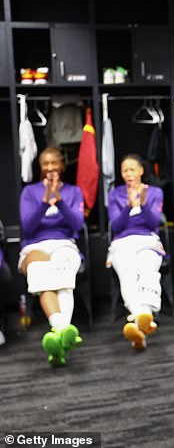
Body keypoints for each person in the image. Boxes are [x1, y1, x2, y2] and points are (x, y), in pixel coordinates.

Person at [19, 147, 84, 366]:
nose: (49, 168)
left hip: (65, 243)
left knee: (63, 280)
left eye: (54, 163)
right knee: (42, 275)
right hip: (35, 245)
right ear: (40, 166)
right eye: (45, 164)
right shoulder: (29, 192)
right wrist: (46, 201)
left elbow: (76, 226)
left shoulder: (74, 191)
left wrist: (60, 200)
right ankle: (63, 330)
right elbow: (28, 228)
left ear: (62, 165)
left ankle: (57, 337)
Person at [107, 154, 165, 351]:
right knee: (127, 274)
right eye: (125, 170)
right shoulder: (115, 194)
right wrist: (128, 206)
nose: (129, 174)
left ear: (141, 171)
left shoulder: (155, 192)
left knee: (148, 268)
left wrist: (142, 203)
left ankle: (137, 321)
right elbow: (116, 226)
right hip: (122, 242)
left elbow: (153, 223)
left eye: (132, 169)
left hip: (147, 240)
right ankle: (143, 317)